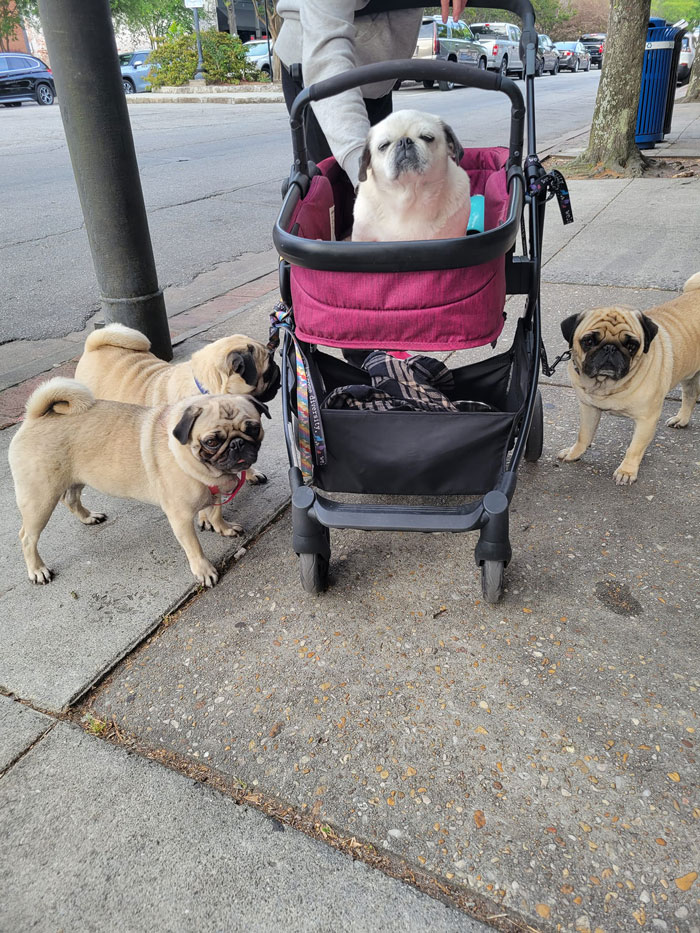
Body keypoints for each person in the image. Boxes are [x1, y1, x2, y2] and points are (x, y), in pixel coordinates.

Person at [275, 0, 468, 188]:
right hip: (318, 67)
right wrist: (363, 171)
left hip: (378, 71)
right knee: (335, 188)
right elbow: (326, 60)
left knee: (390, 173)